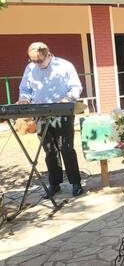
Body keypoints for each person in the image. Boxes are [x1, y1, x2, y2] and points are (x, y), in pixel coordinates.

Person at [17, 42, 84, 198]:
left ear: (48, 55)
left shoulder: (64, 66)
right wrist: (24, 99)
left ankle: (75, 183)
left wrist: (67, 99)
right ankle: (55, 184)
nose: (37, 64)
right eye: (33, 61)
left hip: (62, 112)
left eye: (40, 61)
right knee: (49, 150)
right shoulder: (30, 68)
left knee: (66, 148)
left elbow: (76, 87)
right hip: (40, 113)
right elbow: (24, 89)